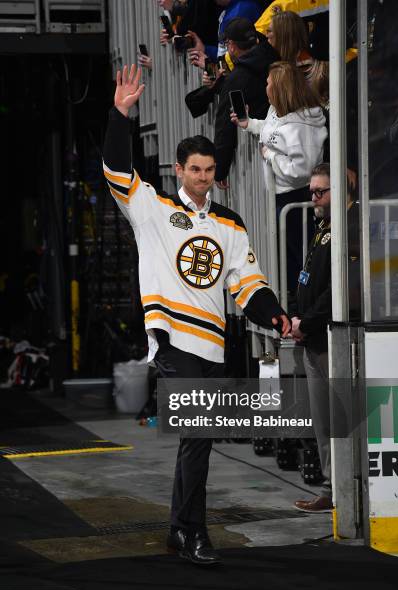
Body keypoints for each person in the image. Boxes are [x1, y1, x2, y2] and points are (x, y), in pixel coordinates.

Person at [103, 65, 290, 564]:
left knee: (199, 438)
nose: (204, 177)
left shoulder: (230, 222)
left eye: (210, 170)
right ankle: (195, 532)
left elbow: (246, 283)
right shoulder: (152, 209)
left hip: (213, 342)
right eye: (195, 170)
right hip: (171, 342)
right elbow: (117, 170)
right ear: (180, 169)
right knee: (199, 433)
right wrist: (120, 115)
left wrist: (273, 315)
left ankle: (178, 529)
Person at [290, 163, 360, 513]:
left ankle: (345, 490)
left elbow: (341, 290)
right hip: (313, 338)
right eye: (312, 191)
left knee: (341, 421)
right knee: (324, 424)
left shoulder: (351, 228)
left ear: (344, 189)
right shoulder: (324, 226)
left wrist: (307, 322)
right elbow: (307, 279)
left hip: (332, 337)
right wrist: (294, 316)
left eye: (321, 191)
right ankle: (333, 489)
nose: (314, 198)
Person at [231, 61, 327, 293]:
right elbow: (271, 131)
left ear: (280, 89)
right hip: (279, 197)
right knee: (284, 258)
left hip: (296, 199)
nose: (265, 87)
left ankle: (300, 307)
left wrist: (271, 157)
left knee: (297, 259)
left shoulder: (302, 127)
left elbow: (300, 171)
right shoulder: (276, 111)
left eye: (268, 83)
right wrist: (249, 124)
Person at [212, 17, 279, 189]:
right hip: (283, 147)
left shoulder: (238, 78)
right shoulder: (278, 58)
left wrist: (220, 167)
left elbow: (225, 124)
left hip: (258, 158)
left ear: (232, 45)